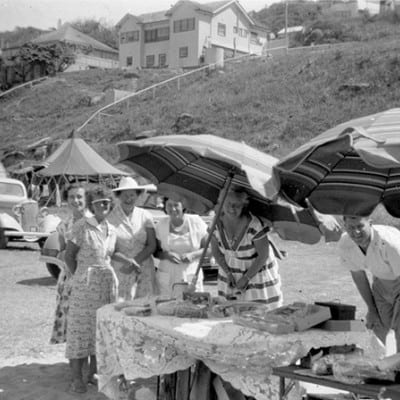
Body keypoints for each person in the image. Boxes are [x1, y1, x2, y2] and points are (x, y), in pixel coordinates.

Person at [64, 185, 139, 393]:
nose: (103, 206)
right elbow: (68, 256)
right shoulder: (81, 226)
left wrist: (128, 261)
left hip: (106, 286)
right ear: (91, 205)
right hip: (84, 286)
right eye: (98, 203)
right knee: (79, 331)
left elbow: (110, 254)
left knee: (99, 330)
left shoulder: (111, 229)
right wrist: (79, 276)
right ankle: (77, 379)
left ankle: (93, 374)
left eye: (106, 202)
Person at [211, 186, 282, 306]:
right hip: (229, 275)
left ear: (243, 206)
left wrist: (246, 279)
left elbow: (263, 255)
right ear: (221, 203)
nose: (232, 209)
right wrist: (228, 273)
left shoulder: (255, 225)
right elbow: (216, 253)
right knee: (231, 313)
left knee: (260, 315)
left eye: (237, 205)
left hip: (257, 275)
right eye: (228, 203)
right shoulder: (216, 224)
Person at [339, 215, 400, 351]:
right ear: (345, 227)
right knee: (377, 326)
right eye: (351, 227)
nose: (356, 232)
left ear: (370, 223)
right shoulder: (345, 244)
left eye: (360, 226)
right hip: (381, 283)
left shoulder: (390, 243)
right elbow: (359, 276)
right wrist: (371, 310)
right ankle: (379, 368)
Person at [50, 182, 91, 345]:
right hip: (68, 278)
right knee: (71, 318)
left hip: (91, 277)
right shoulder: (63, 225)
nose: (76, 200)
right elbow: (59, 252)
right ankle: (74, 359)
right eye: (72, 197)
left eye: (79, 196)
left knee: (89, 318)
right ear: (67, 200)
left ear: (86, 199)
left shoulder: (96, 222)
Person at [108, 176, 158, 300]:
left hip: (144, 267)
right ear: (118, 196)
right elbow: (108, 248)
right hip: (121, 269)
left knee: (145, 306)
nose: (128, 199)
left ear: (137, 196)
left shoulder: (145, 216)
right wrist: (127, 262)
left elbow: (152, 245)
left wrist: (135, 261)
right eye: (125, 195)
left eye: (132, 195)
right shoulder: (109, 217)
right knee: (121, 307)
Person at [155, 193, 209, 296]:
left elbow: (209, 249)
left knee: (192, 307)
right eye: (169, 205)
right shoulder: (161, 224)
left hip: (190, 276)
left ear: (183, 206)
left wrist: (193, 255)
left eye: (176, 205)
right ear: (165, 207)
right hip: (167, 277)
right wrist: (167, 255)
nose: (173, 209)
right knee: (167, 308)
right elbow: (156, 252)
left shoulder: (196, 222)